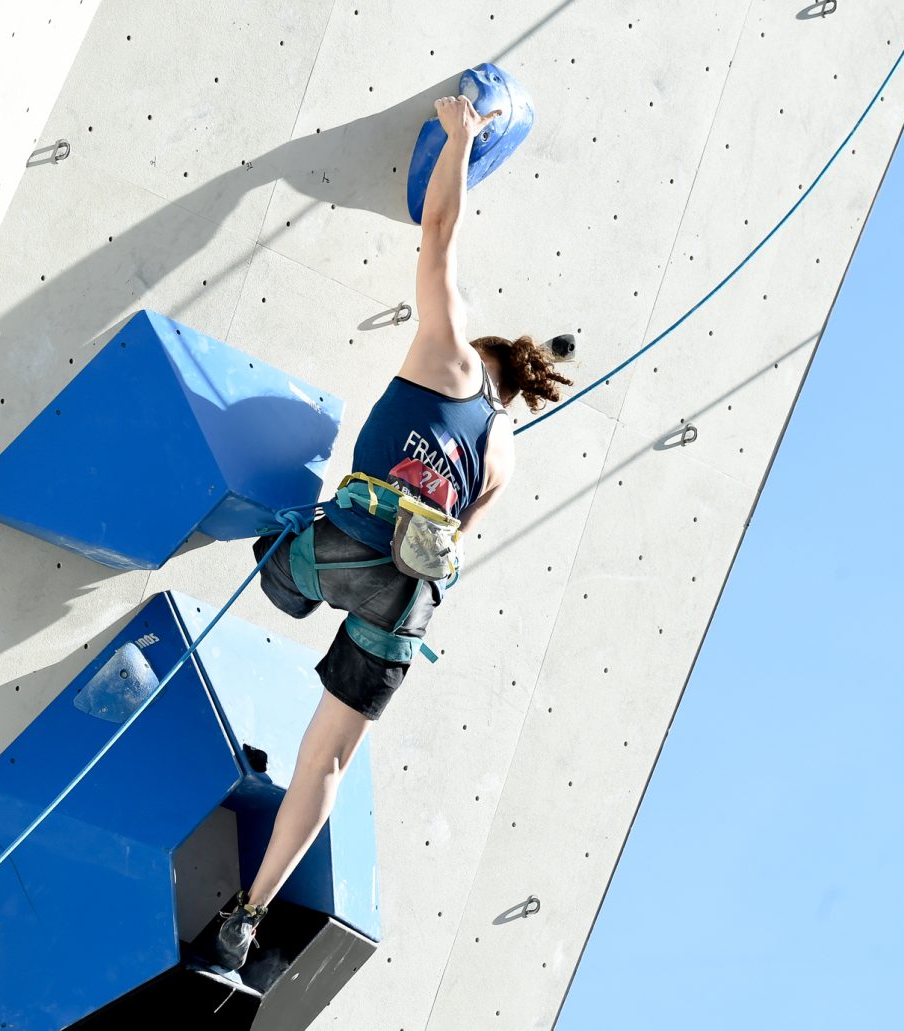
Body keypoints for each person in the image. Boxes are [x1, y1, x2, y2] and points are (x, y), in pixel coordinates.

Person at [188, 94, 573, 978]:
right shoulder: (506, 456)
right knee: (325, 757)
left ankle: (240, 544)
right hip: (405, 604)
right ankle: (247, 916)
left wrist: (463, 138)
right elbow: (458, 543)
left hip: (352, 546)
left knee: (276, 531)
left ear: (476, 349)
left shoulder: (450, 355)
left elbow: (438, 230)